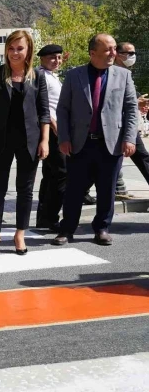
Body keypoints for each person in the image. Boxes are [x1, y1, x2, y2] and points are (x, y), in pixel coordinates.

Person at [0, 30, 50, 256]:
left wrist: (45, 140)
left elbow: (44, 111)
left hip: (30, 142)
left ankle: (19, 234)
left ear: (28, 50)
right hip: (0, 141)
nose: (15, 53)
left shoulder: (38, 76)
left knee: (25, 191)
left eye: (19, 48)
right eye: (11, 48)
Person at [53, 34, 138, 247]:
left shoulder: (123, 76)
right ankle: (67, 229)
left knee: (107, 189)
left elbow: (130, 109)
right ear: (93, 53)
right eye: (108, 49)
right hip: (80, 143)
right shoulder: (74, 76)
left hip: (111, 143)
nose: (114, 53)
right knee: (74, 189)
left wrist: (129, 139)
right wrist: (63, 138)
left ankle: (101, 228)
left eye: (114, 49)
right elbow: (63, 109)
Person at [35, 44, 67, 233]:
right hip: (52, 131)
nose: (57, 61)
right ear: (42, 58)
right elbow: (43, 106)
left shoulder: (52, 76)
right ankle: (50, 217)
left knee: (51, 175)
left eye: (59, 57)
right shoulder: (41, 77)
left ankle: (44, 217)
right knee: (61, 174)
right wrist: (54, 125)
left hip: (57, 130)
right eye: (53, 57)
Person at [116, 42, 149, 186]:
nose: (132, 57)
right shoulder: (113, 73)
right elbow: (112, 101)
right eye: (129, 53)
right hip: (117, 125)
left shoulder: (126, 72)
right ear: (117, 54)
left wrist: (140, 102)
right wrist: (136, 102)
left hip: (127, 124)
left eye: (134, 53)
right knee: (143, 158)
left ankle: (80, 191)